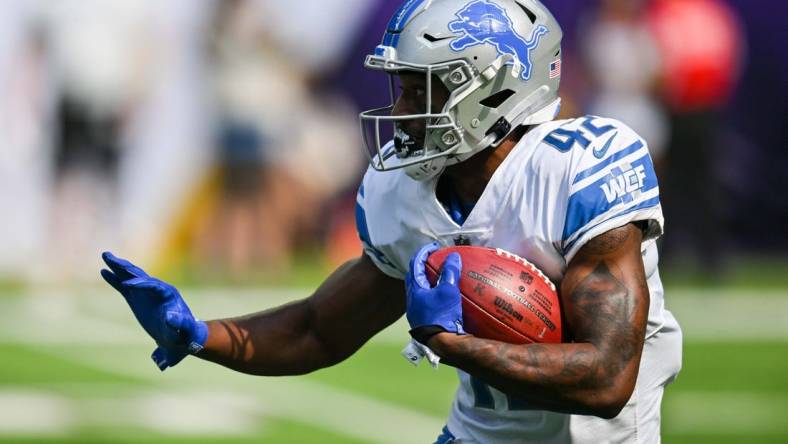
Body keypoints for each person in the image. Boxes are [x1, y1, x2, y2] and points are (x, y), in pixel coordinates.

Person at [101, 1, 682, 442]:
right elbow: (317, 329)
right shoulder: (402, 189)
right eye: (401, 88)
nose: (402, 111)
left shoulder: (578, 167)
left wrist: (455, 346)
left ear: (496, 87)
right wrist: (200, 335)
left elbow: (607, 378)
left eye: (420, 90)